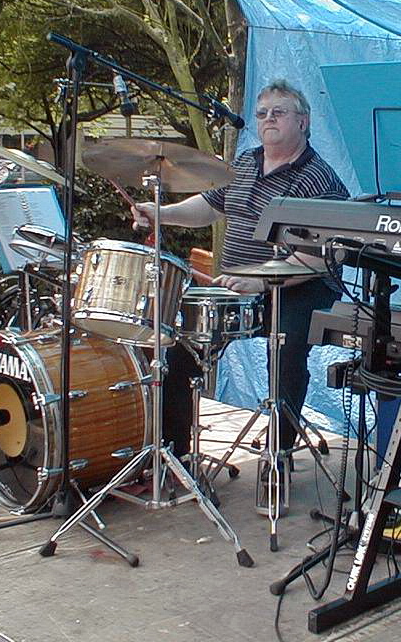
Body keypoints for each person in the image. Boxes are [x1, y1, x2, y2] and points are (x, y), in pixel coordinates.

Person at [131, 79, 349, 513]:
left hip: (299, 291)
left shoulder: (319, 177)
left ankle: (278, 458)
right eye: (264, 112)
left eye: (279, 112)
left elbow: (327, 256)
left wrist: (263, 283)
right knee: (177, 352)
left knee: (284, 358)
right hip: (236, 286)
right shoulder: (245, 165)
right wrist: (161, 213)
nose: (268, 118)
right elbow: (209, 207)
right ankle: (177, 456)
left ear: (303, 122)